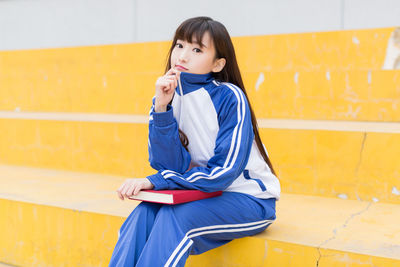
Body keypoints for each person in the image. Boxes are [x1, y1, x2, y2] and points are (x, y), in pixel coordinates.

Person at [109, 16, 281, 267]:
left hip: (249, 199)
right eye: (179, 45)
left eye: (197, 49)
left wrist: (153, 182)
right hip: (202, 194)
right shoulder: (164, 100)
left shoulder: (230, 97)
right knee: (143, 214)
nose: (182, 56)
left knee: (176, 218)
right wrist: (162, 109)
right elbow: (168, 165)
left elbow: (224, 172)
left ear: (218, 63)